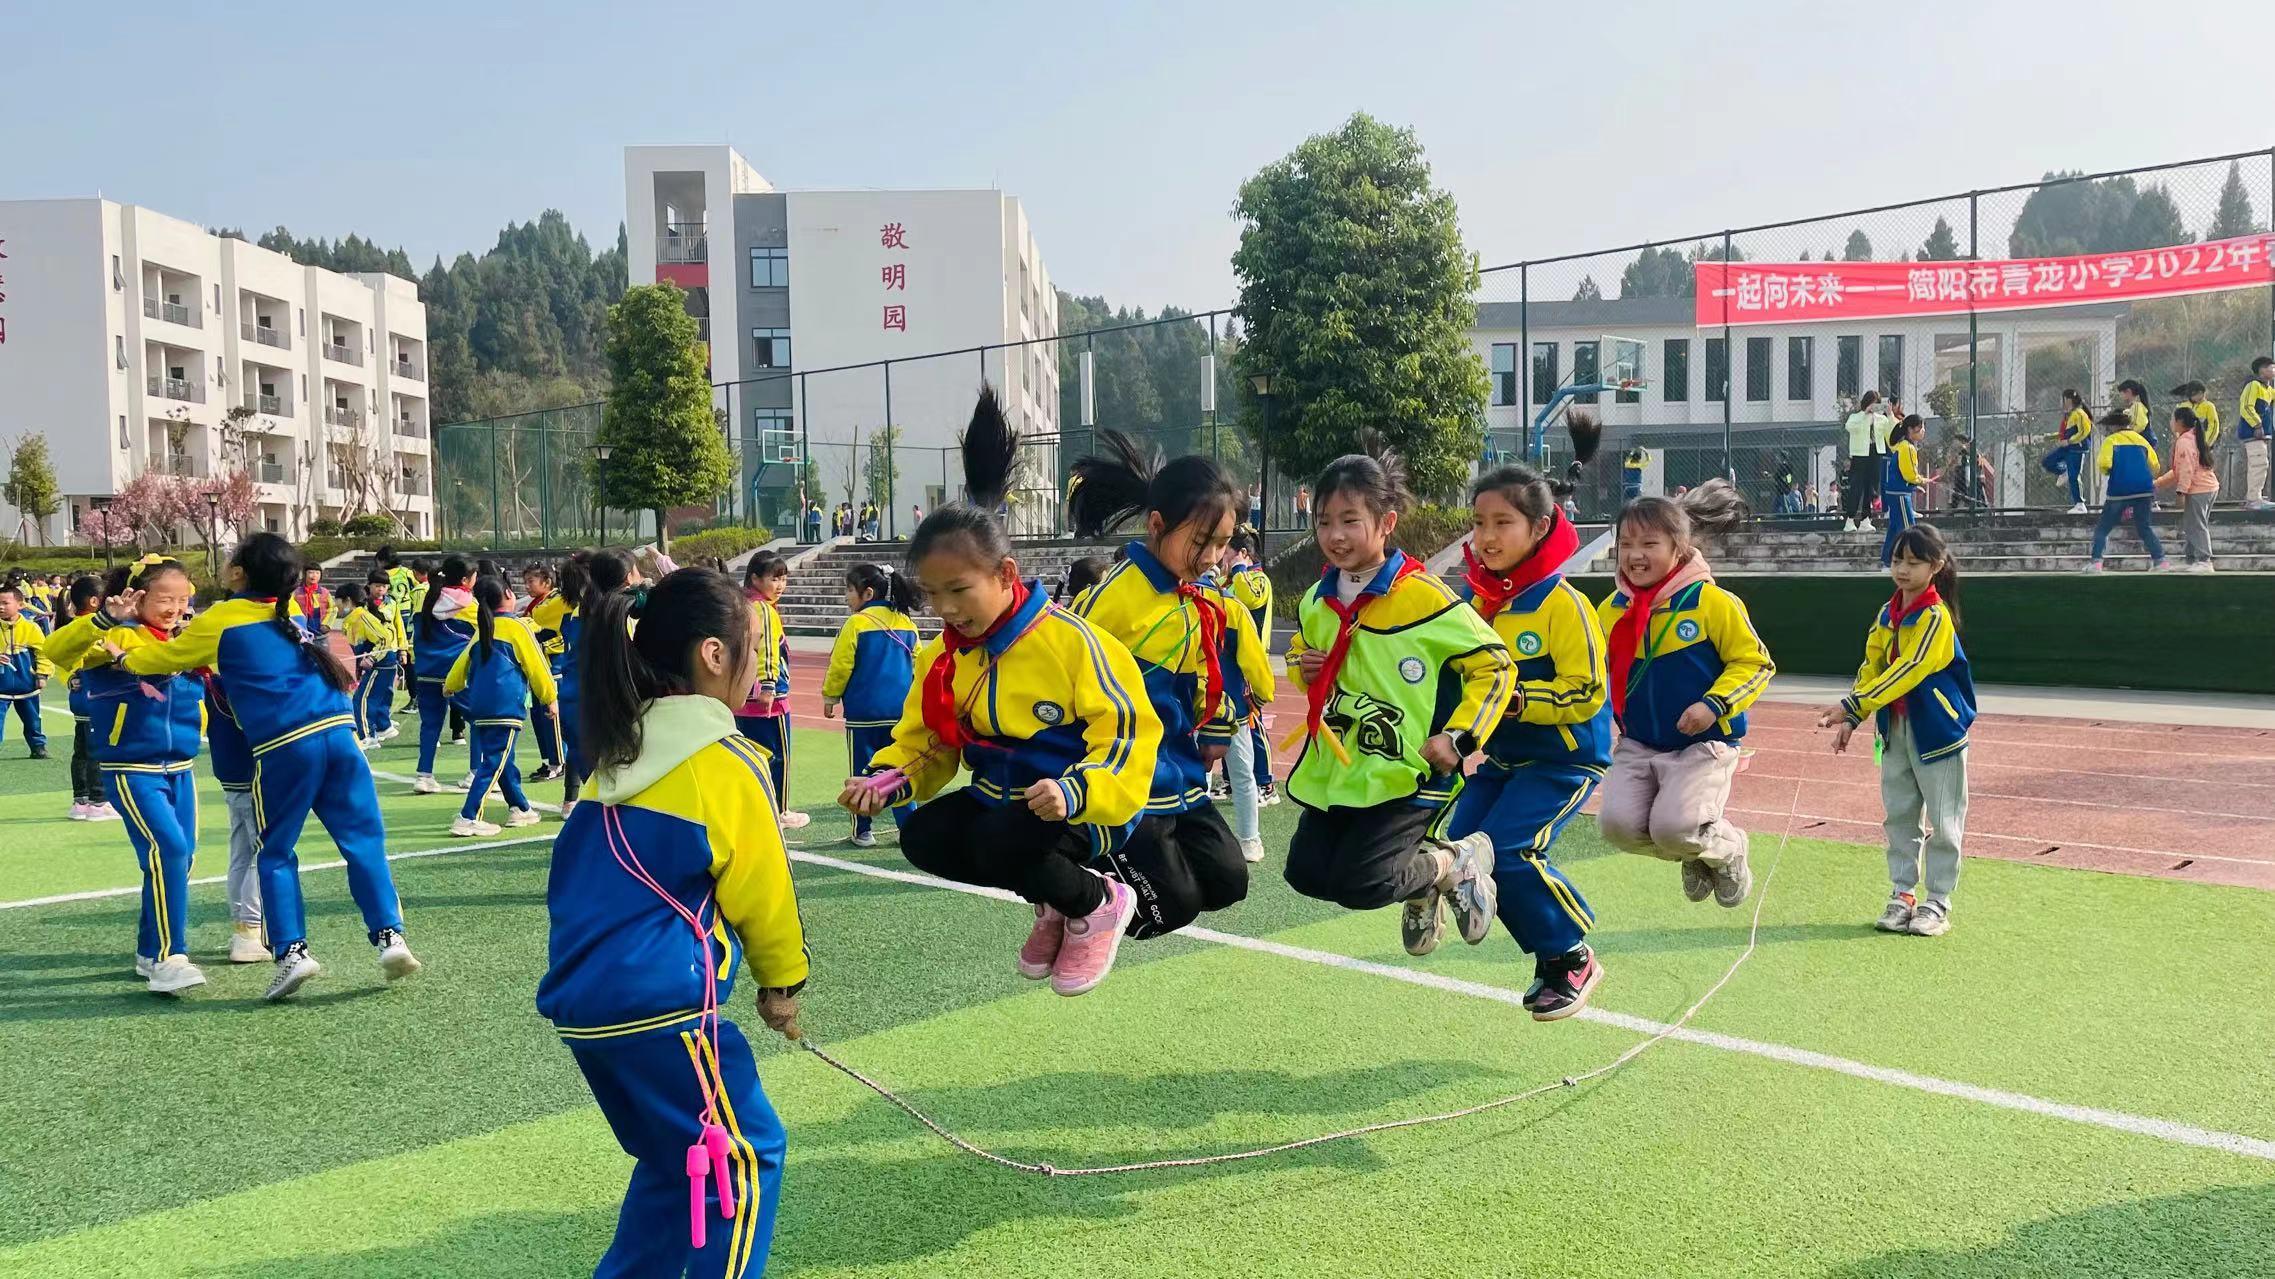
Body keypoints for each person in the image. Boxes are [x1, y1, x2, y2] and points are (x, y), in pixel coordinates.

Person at [843, 388, 1163, 997]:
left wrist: (1077, 790)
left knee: (999, 840)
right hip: (1001, 803)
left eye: (958, 590)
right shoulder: (941, 656)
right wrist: (888, 780)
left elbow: (1128, 737)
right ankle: (1052, 900)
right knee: (923, 837)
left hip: (1079, 811)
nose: (943, 608)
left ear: (1006, 575)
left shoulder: (1073, 644)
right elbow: (926, 742)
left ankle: (1100, 902)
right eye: (932, 593)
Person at [535, 567, 808, 1279]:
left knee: (671, 1160)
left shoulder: (615, 758)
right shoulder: (726, 762)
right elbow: (763, 892)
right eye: (750, 646)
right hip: (664, 1007)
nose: (758, 663)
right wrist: (781, 984)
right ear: (714, 655)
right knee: (747, 1154)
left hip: (586, 1008)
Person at [106, 533, 419, 1001]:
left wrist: (125, 656)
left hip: (288, 745)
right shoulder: (289, 614)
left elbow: (166, 656)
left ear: (237, 573)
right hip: (341, 735)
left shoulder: (224, 617)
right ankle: (390, 938)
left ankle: (292, 951)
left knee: (274, 850)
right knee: (363, 842)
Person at [1280, 448, 1514, 957]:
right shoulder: (1316, 601)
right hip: (1343, 767)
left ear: (1386, 522)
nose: (1335, 535)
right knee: (1305, 874)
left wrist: (1460, 736)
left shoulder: (1424, 598)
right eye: (1323, 522)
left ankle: (1454, 861)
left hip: (1409, 769)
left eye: (1349, 521)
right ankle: (1426, 882)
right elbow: (1304, 655)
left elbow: (1496, 665)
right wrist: (1304, 667)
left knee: (1364, 883)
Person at [1066, 430, 1267, 928]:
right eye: (1202, 542)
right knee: (1172, 907)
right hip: (1128, 777)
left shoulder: (1194, 596)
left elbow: (1206, 670)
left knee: (1228, 881)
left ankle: (1109, 880)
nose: (1213, 557)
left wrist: (1219, 727)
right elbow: (1063, 677)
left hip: (1180, 768)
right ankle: (1072, 895)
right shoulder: (1110, 599)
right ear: (1157, 525)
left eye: (1222, 544)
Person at [1451, 450, 1610, 1020]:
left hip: (1563, 761)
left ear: (1539, 528)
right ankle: (1539, 951)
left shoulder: (1562, 604)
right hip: (1503, 762)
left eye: (1502, 523)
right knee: (1458, 847)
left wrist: (1519, 702)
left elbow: (1587, 690)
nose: (1486, 537)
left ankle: (1571, 955)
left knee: (1510, 851)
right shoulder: (1478, 605)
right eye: (1478, 523)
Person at [1596, 481, 1772, 906]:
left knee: (1674, 828)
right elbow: (1594, 677)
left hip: (1704, 745)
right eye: (1626, 544)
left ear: (1678, 548)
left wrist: (1713, 705)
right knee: (1616, 827)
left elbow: (1756, 663)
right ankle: (1696, 849)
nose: (1636, 555)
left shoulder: (1712, 602)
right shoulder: (1610, 612)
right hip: (1639, 744)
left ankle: (1726, 849)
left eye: (1649, 543)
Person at [1819, 523, 1974, 938]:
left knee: (1943, 820)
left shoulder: (1935, 618)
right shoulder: (1887, 613)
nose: (1902, 570)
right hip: (1895, 729)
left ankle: (1937, 902)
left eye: (1913, 561)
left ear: (1936, 566)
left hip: (1937, 730)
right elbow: (1872, 665)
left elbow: (1907, 671)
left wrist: (1854, 704)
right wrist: (1854, 717)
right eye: (1896, 560)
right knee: (1900, 815)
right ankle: (1903, 893)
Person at [67, 557, 207, 992]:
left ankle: (150, 952)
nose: (175, 607)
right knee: (168, 849)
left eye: (183, 599)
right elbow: (57, 652)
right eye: (166, 598)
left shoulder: (184, 640)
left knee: (180, 859)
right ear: (138, 596)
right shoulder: (116, 634)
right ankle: (169, 956)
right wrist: (105, 619)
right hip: (131, 767)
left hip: (182, 766)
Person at [820, 563, 922, 848]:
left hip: (863, 714)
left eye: (849, 590)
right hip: (900, 713)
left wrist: (830, 697)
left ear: (867, 593)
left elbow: (841, 665)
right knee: (898, 768)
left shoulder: (856, 623)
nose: (846, 597)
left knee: (862, 772)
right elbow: (920, 665)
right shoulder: (907, 624)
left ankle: (863, 830)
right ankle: (907, 827)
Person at [443, 575, 553, 836]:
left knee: (503, 758)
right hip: (505, 705)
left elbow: (460, 665)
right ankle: (468, 815)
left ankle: (520, 808)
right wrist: (550, 698)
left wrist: (451, 685)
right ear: (507, 593)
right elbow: (537, 666)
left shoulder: (484, 628)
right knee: (494, 760)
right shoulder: (517, 628)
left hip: (479, 705)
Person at [558, 549, 638, 818]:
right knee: (613, 788)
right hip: (601, 703)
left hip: (572, 699)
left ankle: (574, 803)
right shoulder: (619, 613)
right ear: (628, 578)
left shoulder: (578, 611)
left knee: (598, 784)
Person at [736, 553, 807, 832]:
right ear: (755, 578)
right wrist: (768, 686)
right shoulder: (763, 610)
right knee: (778, 756)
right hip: (769, 699)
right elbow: (767, 651)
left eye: (784, 578)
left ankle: (756, 807)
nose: (780, 584)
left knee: (751, 755)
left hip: (743, 696)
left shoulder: (742, 604)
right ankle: (780, 810)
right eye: (774, 578)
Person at [1222, 532, 1279, 809]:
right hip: (1229, 662)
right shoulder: (1230, 581)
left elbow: (1250, 599)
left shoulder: (1257, 579)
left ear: (1242, 552)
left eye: (1227, 550)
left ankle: (1267, 784)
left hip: (1250, 663)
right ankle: (1232, 781)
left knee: (1252, 723)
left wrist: (1239, 568)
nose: (1222, 555)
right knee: (1223, 720)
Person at [408, 556, 475, 792]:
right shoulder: (469, 604)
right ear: (467, 579)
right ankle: (475, 772)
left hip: (426, 671)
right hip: (456, 672)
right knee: (476, 719)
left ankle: (424, 775)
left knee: (430, 724)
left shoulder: (426, 599)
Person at [56, 576, 116, 820]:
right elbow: (94, 654)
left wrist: (70, 678)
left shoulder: (70, 627)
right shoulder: (93, 626)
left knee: (81, 750)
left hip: (80, 697)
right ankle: (99, 802)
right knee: (96, 750)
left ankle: (80, 801)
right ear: (94, 601)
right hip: (94, 695)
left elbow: (61, 660)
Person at [2086, 408, 2168, 572]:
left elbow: (2104, 464)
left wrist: (2111, 471)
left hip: (2120, 490)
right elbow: (2155, 465)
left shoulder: (2111, 441)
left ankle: (2096, 562)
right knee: (2144, 526)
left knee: (2103, 527)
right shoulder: (2141, 440)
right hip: (2144, 490)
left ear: (2114, 426)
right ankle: (2160, 561)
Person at [2155, 404, 2220, 572]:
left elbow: (2186, 470)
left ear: (2180, 422)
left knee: (2196, 524)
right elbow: (2179, 470)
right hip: (2207, 487)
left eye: (2172, 418)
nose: (2170, 422)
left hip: (2200, 489)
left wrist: (2181, 491)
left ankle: (2204, 560)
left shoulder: (2184, 441)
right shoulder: (2192, 437)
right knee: (2193, 523)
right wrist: (2158, 484)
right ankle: (2191, 560)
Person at [341, 580, 402, 748]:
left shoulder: (361, 617)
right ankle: (380, 729)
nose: (336, 605)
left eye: (337, 601)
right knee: (373, 698)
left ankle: (365, 736)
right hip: (380, 664)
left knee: (361, 700)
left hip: (381, 664)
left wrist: (372, 659)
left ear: (347, 600)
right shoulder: (353, 619)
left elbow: (384, 638)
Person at [522, 564, 568, 782]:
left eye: (531, 581)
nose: (527, 586)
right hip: (539, 666)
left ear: (547, 582)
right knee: (539, 716)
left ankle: (559, 762)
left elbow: (563, 634)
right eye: (527, 581)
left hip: (554, 665)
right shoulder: (538, 603)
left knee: (552, 716)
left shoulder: (560, 600)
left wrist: (543, 648)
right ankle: (547, 759)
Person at [0, 581, 50, 758]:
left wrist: (42, 675)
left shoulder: (31, 628)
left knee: (33, 720)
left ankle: (38, 747)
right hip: (1, 686)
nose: (1, 607)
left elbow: (44, 653)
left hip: (27, 685)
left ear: (20, 605)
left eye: (5, 603)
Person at [1881, 415, 1930, 569]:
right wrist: (1921, 480)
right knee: (1909, 529)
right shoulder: (1907, 448)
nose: (1923, 431)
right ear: (1911, 429)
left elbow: (1902, 474)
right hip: (1900, 495)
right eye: (1920, 427)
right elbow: (1909, 474)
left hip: (1895, 493)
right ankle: (1913, 561)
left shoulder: (1902, 446)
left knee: (1895, 527)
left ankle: (1887, 562)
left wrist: (1915, 487)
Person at [1841, 393, 1887, 532]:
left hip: (1875, 453)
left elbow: (1889, 428)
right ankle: (1850, 519)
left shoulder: (1881, 419)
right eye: (1871, 403)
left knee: (1871, 487)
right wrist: (1865, 414)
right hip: (1860, 454)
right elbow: (1849, 427)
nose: (1873, 406)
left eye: (1876, 403)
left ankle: (1866, 519)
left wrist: (1889, 414)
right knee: (1857, 486)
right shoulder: (1856, 417)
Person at [2042, 389, 2093, 514]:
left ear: (2068, 400)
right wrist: (2047, 437)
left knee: (2074, 476)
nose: (2061, 402)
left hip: (2077, 448)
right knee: (2048, 461)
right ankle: (2063, 471)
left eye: (2063, 399)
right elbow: (2063, 433)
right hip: (2068, 447)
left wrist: (2070, 441)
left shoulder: (2079, 413)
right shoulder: (2069, 415)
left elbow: (2084, 431)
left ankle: (2080, 504)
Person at [2238, 356, 2273, 510]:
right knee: (2258, 463)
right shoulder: (2253, 385)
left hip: (2262, 435)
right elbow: (2246, 406)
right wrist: (2257, 425)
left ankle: (2256, 496)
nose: (2273, 370)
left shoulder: (2268, 389)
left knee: (2261, 464)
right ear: (2262, 369)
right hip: (2253, 433)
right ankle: (2253, 500)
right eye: (2271, 367)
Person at [2173, 380, 2222, 447]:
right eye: (2196, 394)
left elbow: (2213, 426)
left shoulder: (2209, 406)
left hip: (2202, 445)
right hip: (2186, 444)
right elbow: (2177, 425)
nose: (2200, 396)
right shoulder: (2184, 406)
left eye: (2201, 393)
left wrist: (2205, 444)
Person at [292, 565, 333, 638]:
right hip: (301, 629)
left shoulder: (325, 592)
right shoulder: (296, 592)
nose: (314, 575)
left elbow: (333, 609)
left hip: (320, 629)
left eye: (317, 573)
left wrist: (327, 624)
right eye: (311, 572)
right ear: (305, 574)